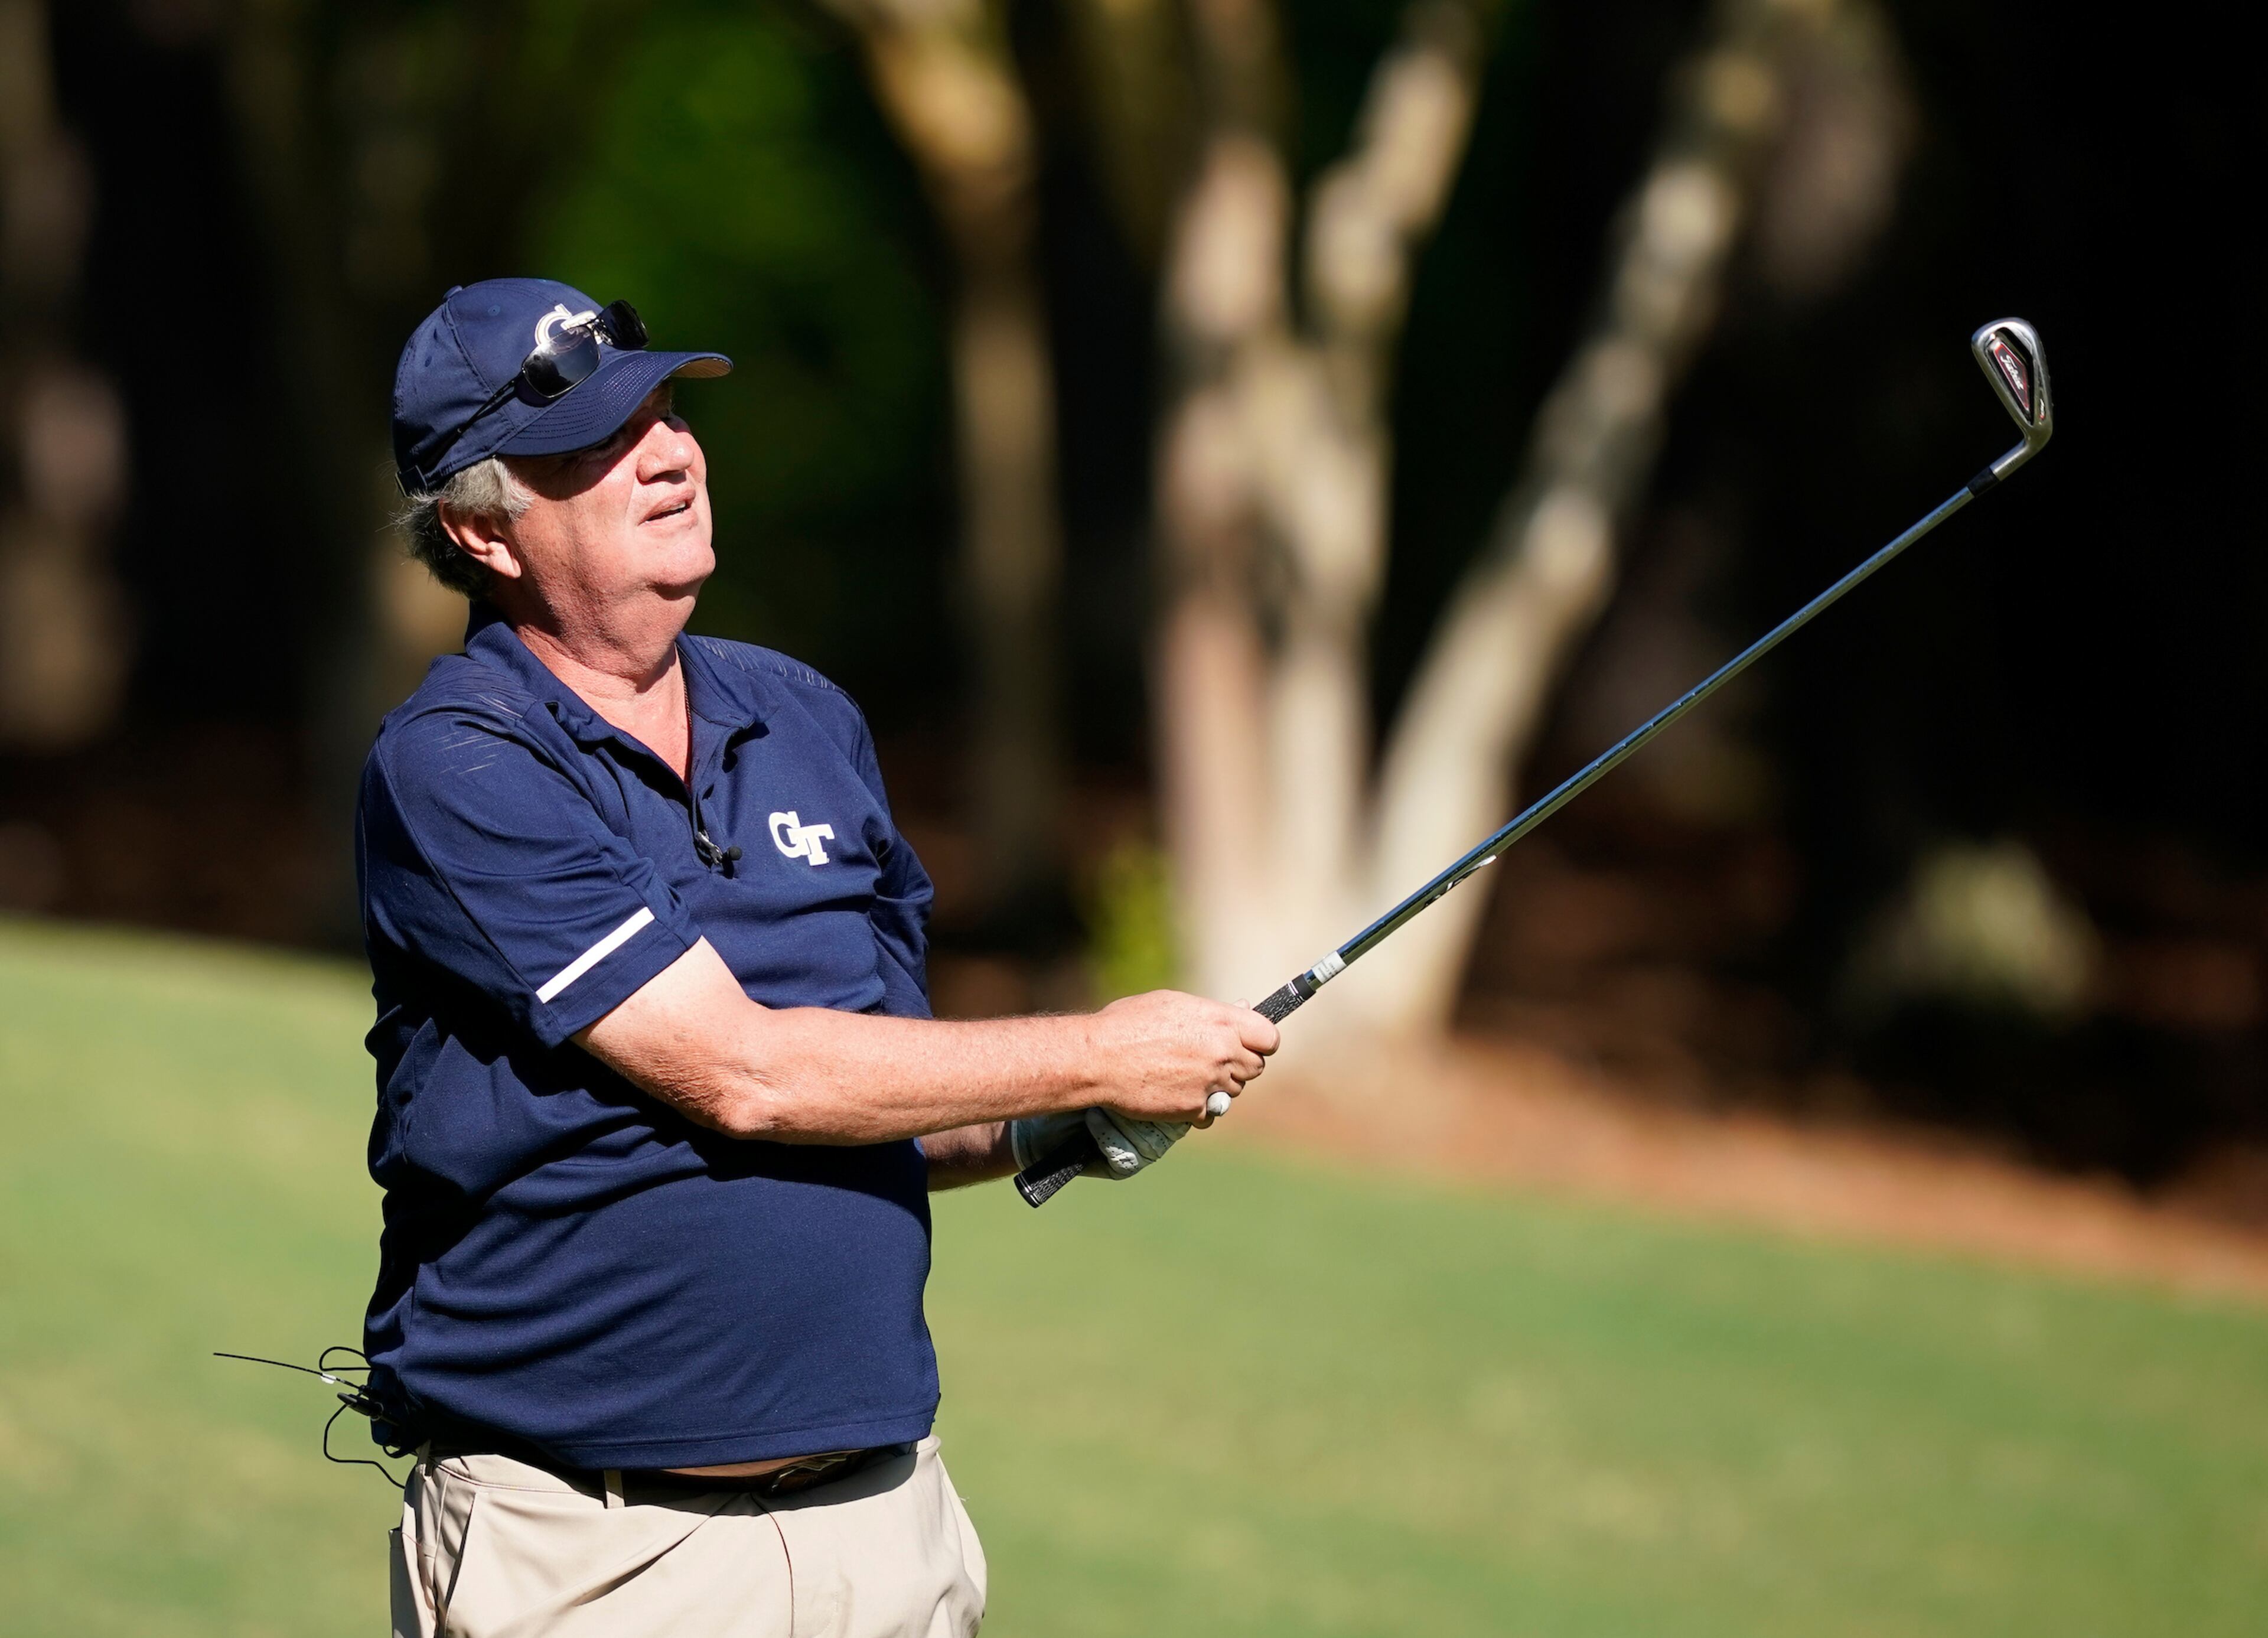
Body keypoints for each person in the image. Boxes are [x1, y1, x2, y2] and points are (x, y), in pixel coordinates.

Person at [363, 278, 1278, 1638]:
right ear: (481, 529)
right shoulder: (458, 763)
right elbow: (747, 1076)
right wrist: (1102, 1043)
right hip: (599, 1552)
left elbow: (874, 1099)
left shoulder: (804, 717)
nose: (669, 450)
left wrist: (1065, 1120)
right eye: (602, 441)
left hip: (883, 1533)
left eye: (667, 413)